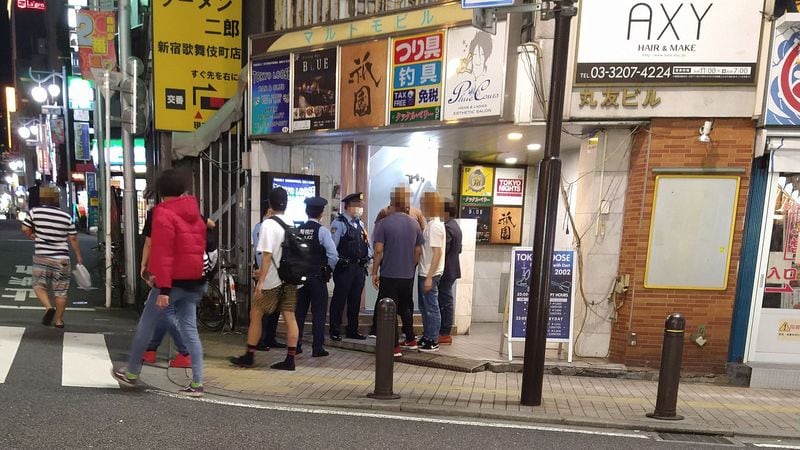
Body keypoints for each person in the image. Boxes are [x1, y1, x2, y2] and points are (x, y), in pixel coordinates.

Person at [112, 169, 207, 397]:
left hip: (172, 283)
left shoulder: (162, 213)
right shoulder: (195, 212)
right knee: (190, 330)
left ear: (161, 191)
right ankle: (197, 383)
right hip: (194, 281)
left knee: (146, 324)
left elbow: (163, 252)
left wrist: (163, 288)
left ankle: (132, 373)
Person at [231, 187, 299, 371]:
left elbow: (266, 257)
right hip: (289, 278)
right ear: (286, 203)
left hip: (271, 281)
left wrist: (260, 282)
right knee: (290, 317)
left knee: (256, 314)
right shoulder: (290, 222)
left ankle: (249, 355)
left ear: (270, 203)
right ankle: (290, 359)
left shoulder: (268, 225)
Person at [140, 207, 217, 368]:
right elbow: (211, 224)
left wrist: (144, 266)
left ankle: (185, 353)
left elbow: (149, 243)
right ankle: (151, 350)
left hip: (174, 271)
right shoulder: (191, 214)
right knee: (167, 312)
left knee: (165, 311)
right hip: (196, 273)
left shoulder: (158, 214)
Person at [370, 185, 424, 357]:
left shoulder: (384, 224)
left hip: (389, 274)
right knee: (406, 306)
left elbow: (378, 250)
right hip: (407, 274)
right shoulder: (415, 223)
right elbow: (418, 250)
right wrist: (411, 265)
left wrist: (374, 271)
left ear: (392, 203)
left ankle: (394, 347)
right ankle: (411, 338)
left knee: (389, 309)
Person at [21, 187, 83, 328]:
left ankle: (49, 307)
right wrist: (79, 256)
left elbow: (25, 228)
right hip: (62, 259)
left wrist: (31, 235)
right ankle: (58, 320)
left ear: (43, 198)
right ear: (57, 199)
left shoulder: (35, 212)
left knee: (38, 285)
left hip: (42, 256)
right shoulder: (66, 216)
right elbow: (73, 238)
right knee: (61, 292)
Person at [295, 197, 338, 357]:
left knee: (299, 312)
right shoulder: (322, 231)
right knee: (318, 313)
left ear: (306, 211)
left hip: (300, 277)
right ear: (321, 213)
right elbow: (333, 255)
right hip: (317, 277)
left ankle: (296, 345)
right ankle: (317, 347)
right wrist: (328, 270)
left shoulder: (298, 230)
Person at [329, 192, 371, 341]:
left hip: (359, 268)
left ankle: (352, 329)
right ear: (348, 206)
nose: (360, 208)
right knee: (339, 299)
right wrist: (333, 266)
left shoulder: (360, 224)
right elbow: (332, 247)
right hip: (345, 268)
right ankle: (334, 329)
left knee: (355, 300)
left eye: (360, 205)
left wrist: (369, 258)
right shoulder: (339, 223)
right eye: (357, 205)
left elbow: (366, 244)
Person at [252, 206, 286, 351]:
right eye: (270, 212)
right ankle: (260, 340)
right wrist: (261, 272)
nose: (273, 214)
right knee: (264, 309)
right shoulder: (261, 227)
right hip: (265, 272)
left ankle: (270, 337)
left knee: (275, 308)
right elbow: (261, 252)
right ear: (265, 213)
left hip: (276, 273)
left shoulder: (276, 226)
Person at [416, 192, 446, 352]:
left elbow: (437, 253)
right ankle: (427, 335)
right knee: (425, 307)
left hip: (430, 273)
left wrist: (429, 277)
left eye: (423, 204)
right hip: (426, 271)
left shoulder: (434, 227)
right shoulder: (431, 224)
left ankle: (433, 339)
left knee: (431, 308)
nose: (421, 207)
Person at [438, 198, 462, 345]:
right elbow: (459, 249)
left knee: (445, 300)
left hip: (446, 269)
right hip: (453, 267)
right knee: (446, 299)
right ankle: (444, 331)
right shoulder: (455, 226)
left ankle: (445, 332)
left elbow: (443, 249)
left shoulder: (447, 227)